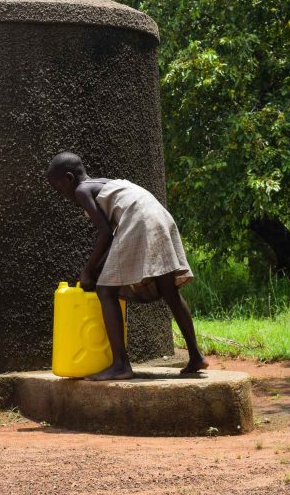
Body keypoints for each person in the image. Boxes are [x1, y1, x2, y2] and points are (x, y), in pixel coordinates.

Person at [46, 151, 208, 380]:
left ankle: (121, 365)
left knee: (105, 290)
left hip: (138, 219)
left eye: (60, 189)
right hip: (158, 216)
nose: (63, 195)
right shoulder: (105, 183)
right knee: (169, 291)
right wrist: (96, 268)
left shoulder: (82, 190)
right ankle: (196, 356)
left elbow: (106, 235)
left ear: (70, 178)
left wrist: (88, 271)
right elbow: (114, 239)